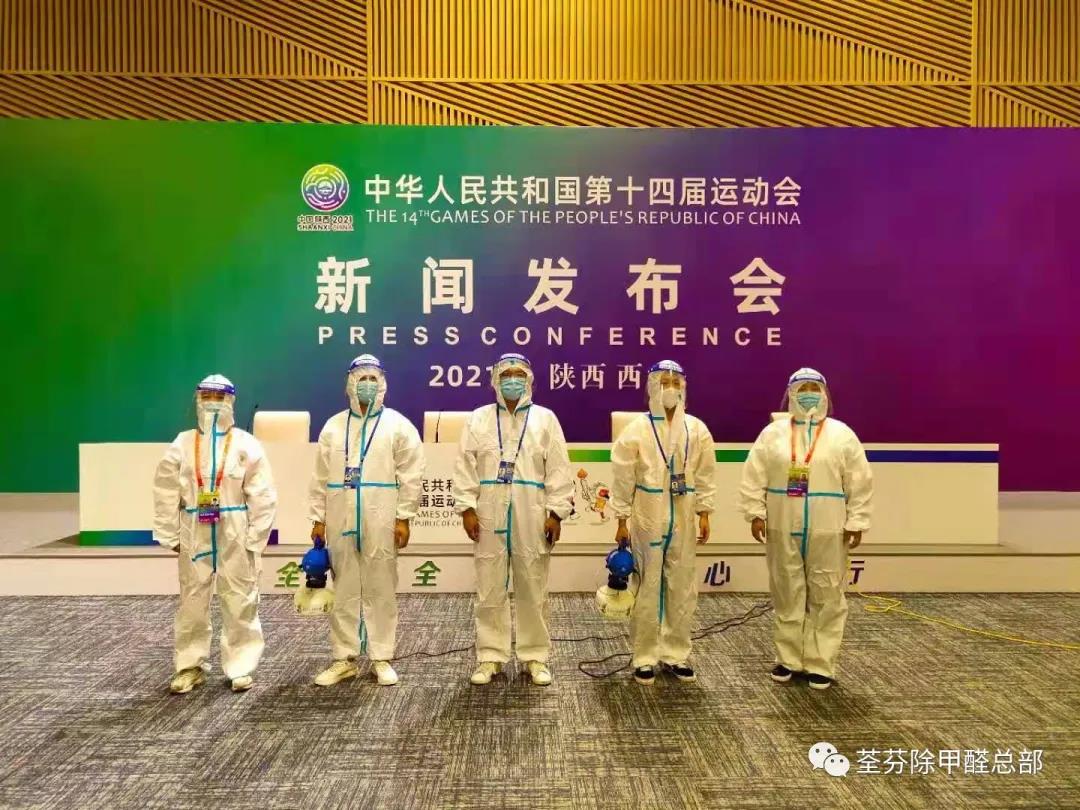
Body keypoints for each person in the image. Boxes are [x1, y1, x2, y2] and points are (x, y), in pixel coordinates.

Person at [737, 367, 873, 690]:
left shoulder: (841, 434)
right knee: (786, 591)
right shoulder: (773, 434)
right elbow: (753, 475)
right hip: (783, 522)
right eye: (802, 388)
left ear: (824, 394)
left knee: (827, 592)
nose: (808, 394)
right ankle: (788, 659)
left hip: (828, 526)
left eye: (814, 388)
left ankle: (820, 663)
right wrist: (755, 513)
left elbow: (860, 480)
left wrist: (857, 519)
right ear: (790, 394)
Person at [453, 353, 573, 686]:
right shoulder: (478, 419)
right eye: (506, 374)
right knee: (489, 586)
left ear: (529, 379)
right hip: (488, 510)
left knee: (532, 585)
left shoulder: (545, 419)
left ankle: (535, 656)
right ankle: (490, 656)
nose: (512, 379)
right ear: (495, 380)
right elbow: (464, 465)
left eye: (519, 374)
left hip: (531, 510)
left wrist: (556, 513)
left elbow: (559, 468)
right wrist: (467, 508)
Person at [153, 374, 277, 694]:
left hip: (234, 528)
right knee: (192, 599)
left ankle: (241, 666)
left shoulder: (246, 444)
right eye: (206, 396)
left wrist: (255, 537)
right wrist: (170, 534)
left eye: (218, 397)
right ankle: (189, 666)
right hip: (194, 527)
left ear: (230, 401)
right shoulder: (182, 443)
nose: (211, 403)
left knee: (240, 597)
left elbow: (262, 494)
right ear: (197, 400)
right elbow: (165, 490)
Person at [308, 354, 425, 687]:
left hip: (381, 516)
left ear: (383, 383)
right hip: (340, 515)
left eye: (374, 378)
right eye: (362, 378)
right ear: (350, 383)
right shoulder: (333, 427)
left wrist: (404, 517)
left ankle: (381, 657)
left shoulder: (397, 425)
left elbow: (412, 474)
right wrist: (318, 517)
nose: (368, 384)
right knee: (343, 586)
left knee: (381, 587)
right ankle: (343, 658)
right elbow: (319, 477)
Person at [610, 360, 717, 685]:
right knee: (646, 586)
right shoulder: (637, 430)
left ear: (683, 387)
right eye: (663, 382)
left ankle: (675, 654)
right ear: (652, 387)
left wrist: (704, 512)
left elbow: (706, 473)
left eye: (675, 382)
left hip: (683, 515)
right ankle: (644, 657)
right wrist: (621, 519)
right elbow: (622, 478)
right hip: (647, 515)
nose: (670, 388)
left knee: (681, 588)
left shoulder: (696, 429)